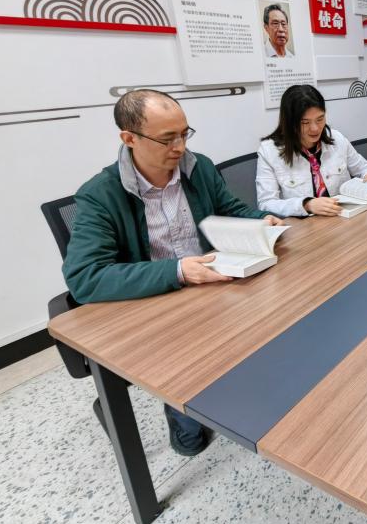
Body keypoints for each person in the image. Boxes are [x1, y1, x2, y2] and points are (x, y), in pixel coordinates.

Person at [64, 89, 284, 456]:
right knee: (190, 425)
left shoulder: (198, 168)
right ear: (129, 138)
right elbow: (85, 278)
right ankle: (179, 410)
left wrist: (264, 220)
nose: (180, 147)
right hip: (159, 299)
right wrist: (179, 271)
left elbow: (229, 209)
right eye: (167, 139)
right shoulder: (100, 195)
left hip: (214, 285)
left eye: (184, 134)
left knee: (281, 311)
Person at [256, 85, 367, 218]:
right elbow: (266, 203)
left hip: (345, 217)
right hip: (306, 226)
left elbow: (365, 169)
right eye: (305, 122)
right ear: (290, 123)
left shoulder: (337, 138)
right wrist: (306, 205)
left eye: (320, 119)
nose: (315, 128)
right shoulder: (269, 151)